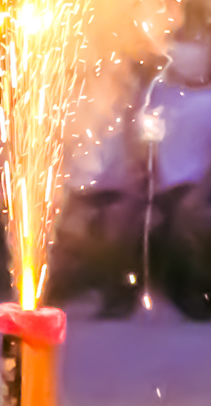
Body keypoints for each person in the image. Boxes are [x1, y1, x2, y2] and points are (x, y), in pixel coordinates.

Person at [142, 31, 211, 321]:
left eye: (197, 42)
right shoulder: (160, 91)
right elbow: (149, 142)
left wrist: (201, 195)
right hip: (169, 188)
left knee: (190, 221)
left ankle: (207, 289)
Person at [52, 53, 152, 317]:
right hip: (80, 191)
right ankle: (70, 279)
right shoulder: (66, 101)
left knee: (116, 229)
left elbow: (145, 152)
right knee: (66, 230)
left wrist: (138, 183)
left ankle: (118, 290)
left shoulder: (137, 102)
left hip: (123, 189)